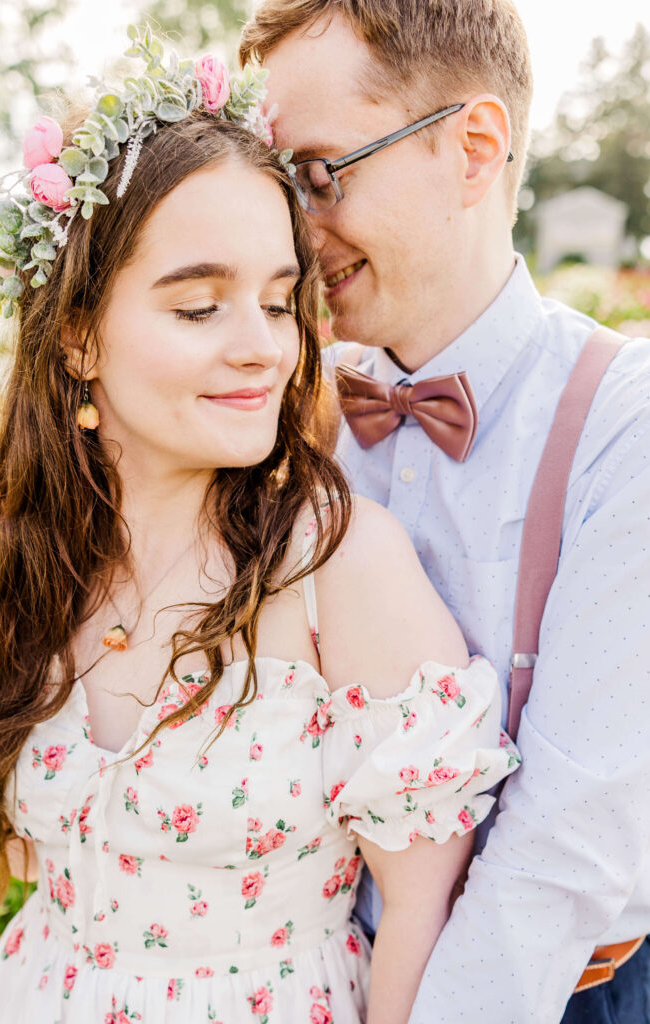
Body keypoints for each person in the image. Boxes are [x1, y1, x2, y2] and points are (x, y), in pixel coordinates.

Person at [0, 27, 519, 1024]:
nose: (261, 348)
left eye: (276, 301)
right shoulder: (26, 566)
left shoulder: (336, 566)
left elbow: (419, 918)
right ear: (80, 335)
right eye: (199, 307)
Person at [238, 1, 650, 1021]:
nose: (293, 230)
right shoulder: (268, 412)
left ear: (472, 151)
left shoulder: (621, 424)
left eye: (319, 173)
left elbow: (563, 844)